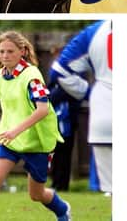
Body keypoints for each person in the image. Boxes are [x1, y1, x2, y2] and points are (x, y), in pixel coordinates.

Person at [0, 31, 69, 221]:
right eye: (2, 51)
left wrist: (16, 131)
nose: (5, 56)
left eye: (10, 51)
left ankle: (62, 209)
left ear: (22, 51)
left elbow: (43, 110)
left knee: (36, 194)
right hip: (9, 140)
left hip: (36, 141)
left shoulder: (32, 75)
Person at [49, 20, 112, 194]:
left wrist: (92, 93)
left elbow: (59, 72)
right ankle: (57, 184)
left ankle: (61, 184)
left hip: (104, 112)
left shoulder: (96, 30)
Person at [46, 43, 81, 192]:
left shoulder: (72, 75)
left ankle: (62, 184)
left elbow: (61, 95)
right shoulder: (54, 77)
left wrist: (52, 96)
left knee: (64, 154)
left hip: (66, 121)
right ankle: (54, 181)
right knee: (55, 152)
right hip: (54, 120)